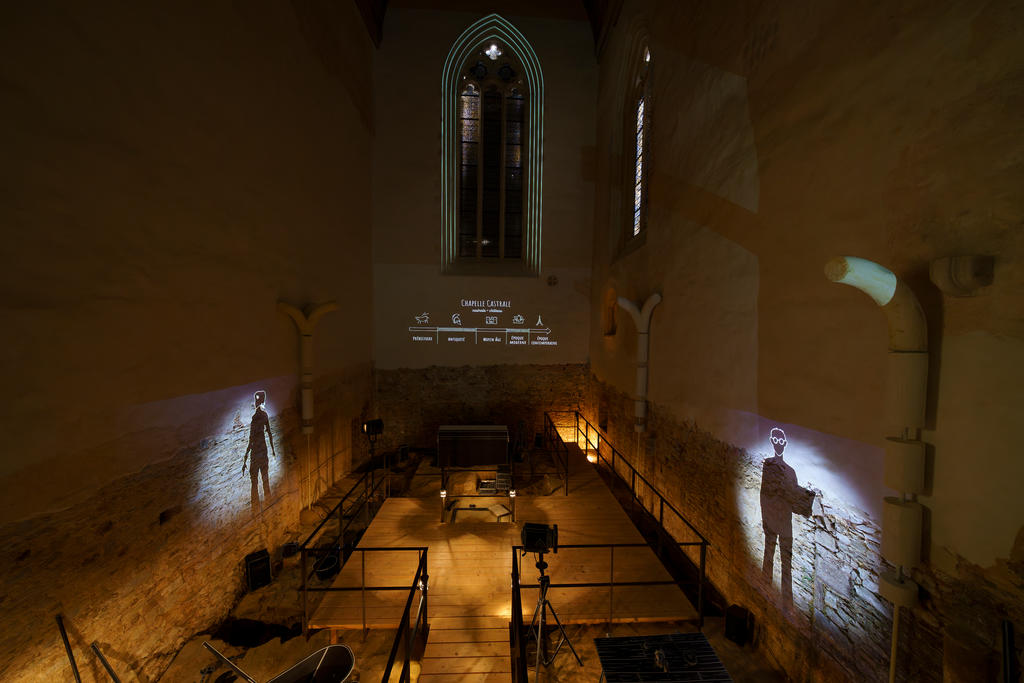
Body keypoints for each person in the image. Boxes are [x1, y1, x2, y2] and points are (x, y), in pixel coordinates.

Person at [760, 427, 814, 606]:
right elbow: (764, 494)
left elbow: (793, 499)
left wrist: (804, 498)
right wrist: (766, 518)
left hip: (785, 522)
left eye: (781, 441)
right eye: (776, 440)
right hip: (772, 519)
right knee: (769, 554)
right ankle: (765, 585)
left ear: (785, 444)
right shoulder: (768, 465)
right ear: (771, 441)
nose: (778, 444)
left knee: (786, 561)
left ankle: (786, 599)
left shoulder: (790, 471)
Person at [242, 390, 275, 510]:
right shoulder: (264, 415)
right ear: (263, 402)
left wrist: (245, 457)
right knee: (265, 479)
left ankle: (255, 508)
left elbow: (251, 439)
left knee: (254, 483)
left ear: (257, 402)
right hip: (263, 451)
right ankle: (269, 504)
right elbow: (269, 433)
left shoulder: (254, 418)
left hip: (255, 453)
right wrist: (273, 450)